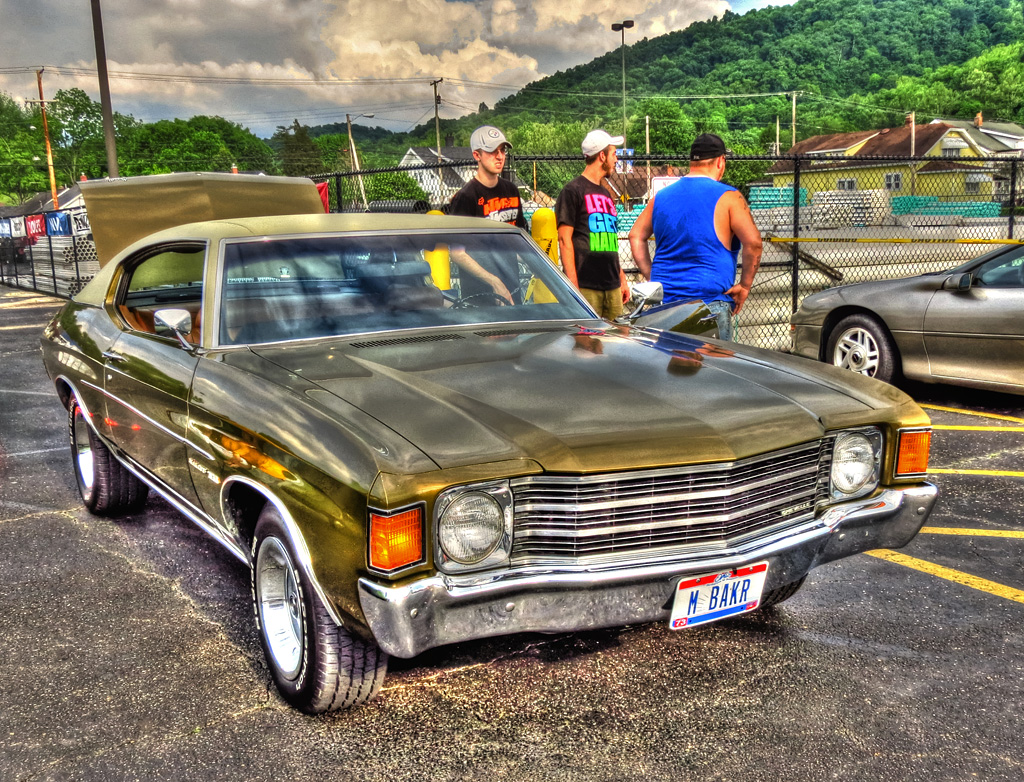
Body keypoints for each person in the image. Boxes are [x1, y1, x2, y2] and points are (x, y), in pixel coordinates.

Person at [627, 133, 763, 341]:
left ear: (692, 162)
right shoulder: (730, 197)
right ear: (720, 162)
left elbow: (635, 235)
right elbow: (753, 243)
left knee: (669, 371)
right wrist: (744, 286)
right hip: (710, 305)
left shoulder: (661, 198)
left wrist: (651, 275)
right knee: (711, 372)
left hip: (666, 306)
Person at [555, 129, 631, 319]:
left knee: (616, 344)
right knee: (587, 345)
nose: (616, 159)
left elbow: (610, 240)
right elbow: (565, 241)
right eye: (614, 154)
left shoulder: (606, 194)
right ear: (602, 155)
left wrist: (622, 279)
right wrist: (573, 286)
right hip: (586, 287)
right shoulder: (572, 191)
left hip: (612, 286)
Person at [446, 125, 527, 303]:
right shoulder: (466, 197)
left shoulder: (511, 190)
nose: (499, 156)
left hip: (512, 289)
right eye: (492, 151)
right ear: (477, 155)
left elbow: (520, 239)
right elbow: (457, 253)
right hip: (481, 297)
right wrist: (494, 282)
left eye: (502, 150)